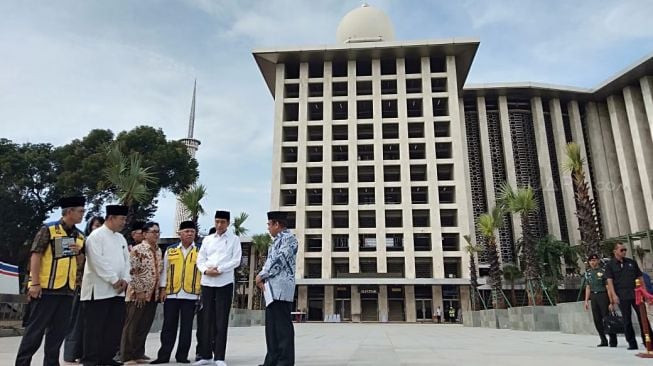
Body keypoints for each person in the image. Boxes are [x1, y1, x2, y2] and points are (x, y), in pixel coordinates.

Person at [15, 196, 86, 366]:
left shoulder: (79, 235)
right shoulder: (49, 229)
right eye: (80, 211)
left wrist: (79, 253)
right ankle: (22, 363)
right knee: (35, 331)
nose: (82, 215)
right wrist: (35, 283)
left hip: (67, 290)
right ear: (69, 211)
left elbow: (80, 263)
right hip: (47, 288)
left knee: (58, 333)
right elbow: (36, 254)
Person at [80, 204, 131, 366]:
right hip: (99, 291)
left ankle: (106, 358)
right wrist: (114, 279)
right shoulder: (96, 236)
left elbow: (127, 261)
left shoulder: (120, 238)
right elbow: (97, 262)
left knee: (113, 328)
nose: (124, 222)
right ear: (111, 218)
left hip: (118, 291)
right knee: (95, 328)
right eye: (122, 219)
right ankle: (91, 360)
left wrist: (125, 279)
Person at [194, 211, 242, 366]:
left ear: (228, 223)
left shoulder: (234, 240)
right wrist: (206, 270)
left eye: (222, 222)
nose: (219, 225)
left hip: (224, 282)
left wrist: (220, 269)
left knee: (221, 320)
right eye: (217, 222)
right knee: (206, 319)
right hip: (207, 282)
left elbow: (236, 260)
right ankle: (205, 355)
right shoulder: (207, 240)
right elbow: (200, 259)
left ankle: (219, 357)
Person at [151, 221, 201, 364]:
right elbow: (164, 271)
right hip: (172, 293)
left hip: (191, 294)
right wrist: (162, 288)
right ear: (179, 233)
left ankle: (182, 356)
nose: (189, 234)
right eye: (186, 231)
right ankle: (163, 355)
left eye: (192, 231)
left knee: (186, 328)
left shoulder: (200, 251)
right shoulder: (171, 250)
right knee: (168, 326)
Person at [256, 211, 298, 366]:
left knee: (282, 328)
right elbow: (271, 261)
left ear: (277, 224)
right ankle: (272, 360)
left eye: (269, 224)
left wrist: (261, 275)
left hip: (281, 290)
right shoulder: (276, 241)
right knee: (272, 329)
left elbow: (279, 260)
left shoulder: (289, 239)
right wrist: (262, 276)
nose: (268, 228)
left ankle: (284, 361)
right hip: (271, 289)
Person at [120, 222, 164, 363]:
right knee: (132, 325)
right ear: (144, 234)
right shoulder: (138, 250)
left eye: (158, 232)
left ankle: (138, 353)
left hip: (153, 294)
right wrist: (139, 290)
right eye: (153, 232)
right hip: (137, 294)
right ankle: (126, 356)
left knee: (144, 325)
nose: (156, 234)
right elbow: (133, 271)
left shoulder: (158, 250)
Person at [63, 216, 104, 363]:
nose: (99, 229)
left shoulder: (102, 245)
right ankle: (71, 353)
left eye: (101, 226)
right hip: (80, 286)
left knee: (91, 324)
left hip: (97, 289)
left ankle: (85, 353)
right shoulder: (81, 240)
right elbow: (73, 262)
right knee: (76, 322)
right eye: (96, 225)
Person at [606, 242, 645, 350]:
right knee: (627, 320)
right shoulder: (610, 265)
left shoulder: (631, 262)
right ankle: (632, 343)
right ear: (615, 251)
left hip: (636, 294)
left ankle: (648, 340)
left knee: (643, 318)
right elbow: (610, 281)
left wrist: (644, 292)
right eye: (621, 250)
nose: (624, 252)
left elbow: (640, 278)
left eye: (625, 250)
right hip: (622, 295)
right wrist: (613, 296)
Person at [584, 254, 617, 347]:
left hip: (603, 295)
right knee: (597, 319)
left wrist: (611, 302)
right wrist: (586, 300)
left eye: (595, 260)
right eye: (591, 261)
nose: (593, 262)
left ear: (598, 261)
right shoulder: (588, 273)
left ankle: (612, 339)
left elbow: (608, 287)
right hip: (594, 297)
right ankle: (603, 340)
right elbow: (588, 287)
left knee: (606, 318)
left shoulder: (603, 271)